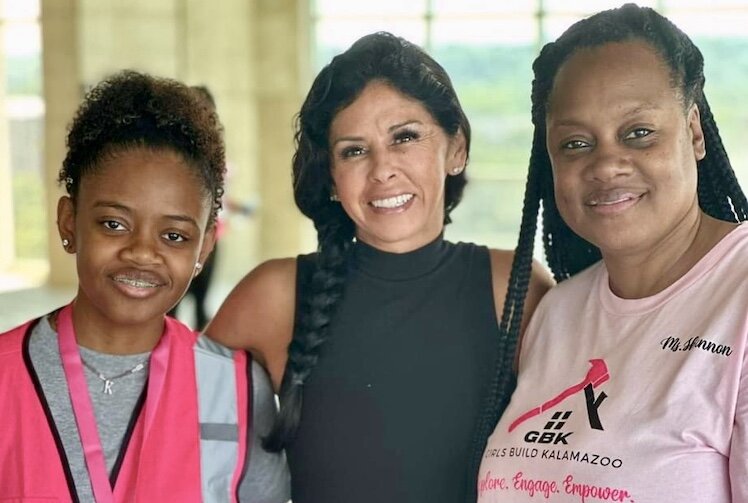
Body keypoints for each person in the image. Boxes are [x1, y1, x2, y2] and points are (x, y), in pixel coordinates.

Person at [206, 31, 553, 503]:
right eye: (354, 150)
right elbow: (169, 419)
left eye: (405, 137)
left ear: (456, 149)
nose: (382, 169)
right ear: (330, 177)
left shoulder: (511, 287)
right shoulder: (276, 294)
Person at [478, 4, 748, 502]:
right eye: (576, 143)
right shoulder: (556, 312)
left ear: (693, 131)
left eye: (638, 133)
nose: (607, 165)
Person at [0, 70, 289, 502]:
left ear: (204, 247)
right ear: (68, 222)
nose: (142, 252)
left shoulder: (235, 389)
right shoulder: (6, 375)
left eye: (174, 236)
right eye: (114, 224)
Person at [168, 85, 254, 331]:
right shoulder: (172, 154)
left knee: (200, 304)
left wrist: (240, 209)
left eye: (206, 110)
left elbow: (221, 198)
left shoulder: (217, 158)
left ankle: (193, 363)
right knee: (172, 305)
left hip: (209, 236)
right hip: (178, 237)